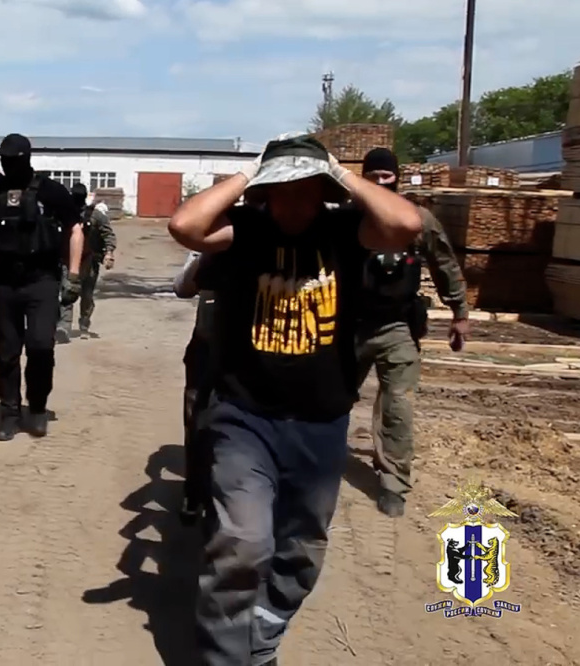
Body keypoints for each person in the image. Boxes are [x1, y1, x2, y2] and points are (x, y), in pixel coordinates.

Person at [167, 133, 422, 666]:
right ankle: (223, 657)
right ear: (267, 192)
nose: (294, 200)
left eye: (306, 187)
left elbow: (405, 225)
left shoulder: (346, 231)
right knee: (241, 540)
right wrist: (253, 172)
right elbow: (184, 227)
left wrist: (340, 172)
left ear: (322, 189)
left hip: (321, 421)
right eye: (283, 188)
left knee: (300, 550)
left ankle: (263, 637)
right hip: (244, 417)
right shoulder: (245, 230)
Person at [355, 147, 470, 517]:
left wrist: (459, 312)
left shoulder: (417, 220)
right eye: (373, 176)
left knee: (398, 407)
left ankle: (394, 483)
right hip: (349, 327)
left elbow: (444, 263)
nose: (380, 183)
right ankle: (313, 467)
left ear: (397, 177)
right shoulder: (348, 219)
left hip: (398, 327)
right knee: (331, 399)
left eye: (386, 176)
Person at [0, 133, 86, 441]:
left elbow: (75, 229)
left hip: (41, 280)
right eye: (1, 158)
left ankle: (38, 407)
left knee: (41, 347)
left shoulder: (51, 191)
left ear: (24, 158)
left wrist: (75, 274)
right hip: (4, 283)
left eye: (10, 159)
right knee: (8, 352)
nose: (5, 163)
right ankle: (10, 413)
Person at [173, 250, 218, 525]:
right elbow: (181, 287)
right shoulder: (212, 245)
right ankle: (193, 490)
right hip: (207, 347)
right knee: (197, 421)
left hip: (257, 354)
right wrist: (206, 255)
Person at [57, 183, 116, 342]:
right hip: (67, 260)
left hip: (89, 261)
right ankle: (64, 326)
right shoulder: (64, 214)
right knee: (67, 292)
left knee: (87, 296)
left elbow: (108, 234)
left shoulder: (95, 215)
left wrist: (109, 253)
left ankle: (84, 325)